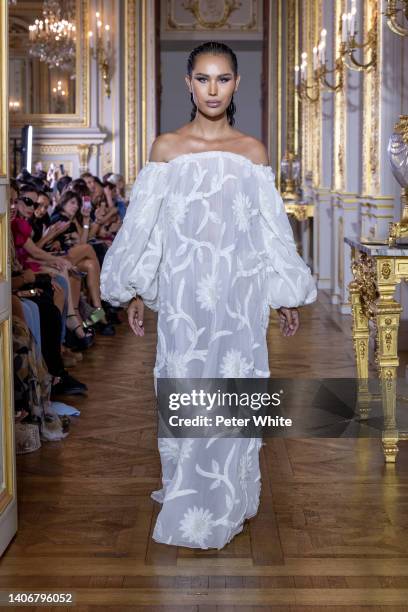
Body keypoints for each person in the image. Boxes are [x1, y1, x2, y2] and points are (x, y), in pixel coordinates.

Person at [100, 41, 317, 549]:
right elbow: (145, 230)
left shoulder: (252, 152)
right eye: (203, 78)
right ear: (188, 83)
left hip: (240, 300)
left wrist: (283, 292)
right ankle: (188, 492)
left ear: (236, 84)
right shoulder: (166, 148)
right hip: (183, 298)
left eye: (222, 79)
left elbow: (270, 233)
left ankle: (227, 493)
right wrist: (136, 289)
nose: (212, 89)